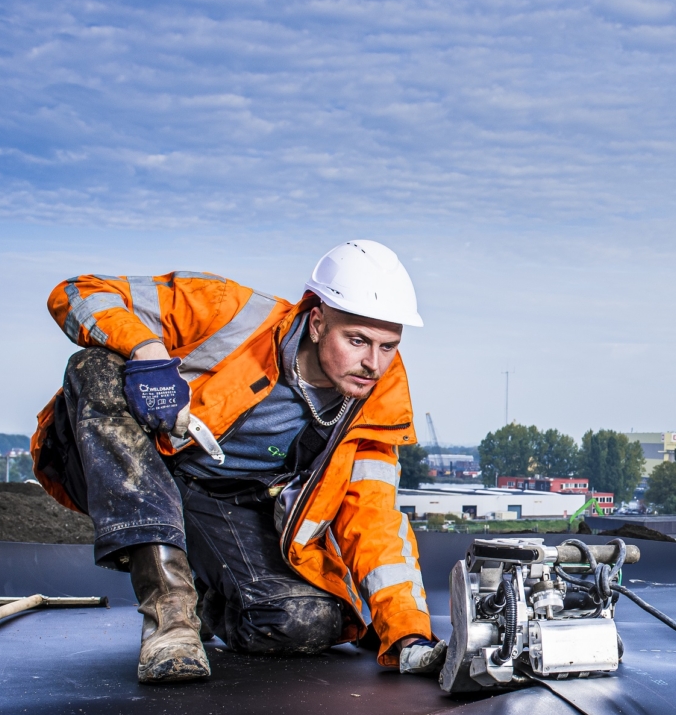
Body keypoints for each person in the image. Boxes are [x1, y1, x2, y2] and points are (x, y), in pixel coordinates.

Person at [30, 240, 446, 684]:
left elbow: (374, 520)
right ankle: (170, 621)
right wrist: (147, 352)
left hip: (223, 501)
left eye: (388, 346)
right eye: (358, 340)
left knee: (308, 621)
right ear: (319, 321)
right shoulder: (230, 312)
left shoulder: (372, 402)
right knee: (94, 366)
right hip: (125, 458)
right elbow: (76, 292)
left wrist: (409, 636)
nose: (373, 364)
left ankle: (207, 596)